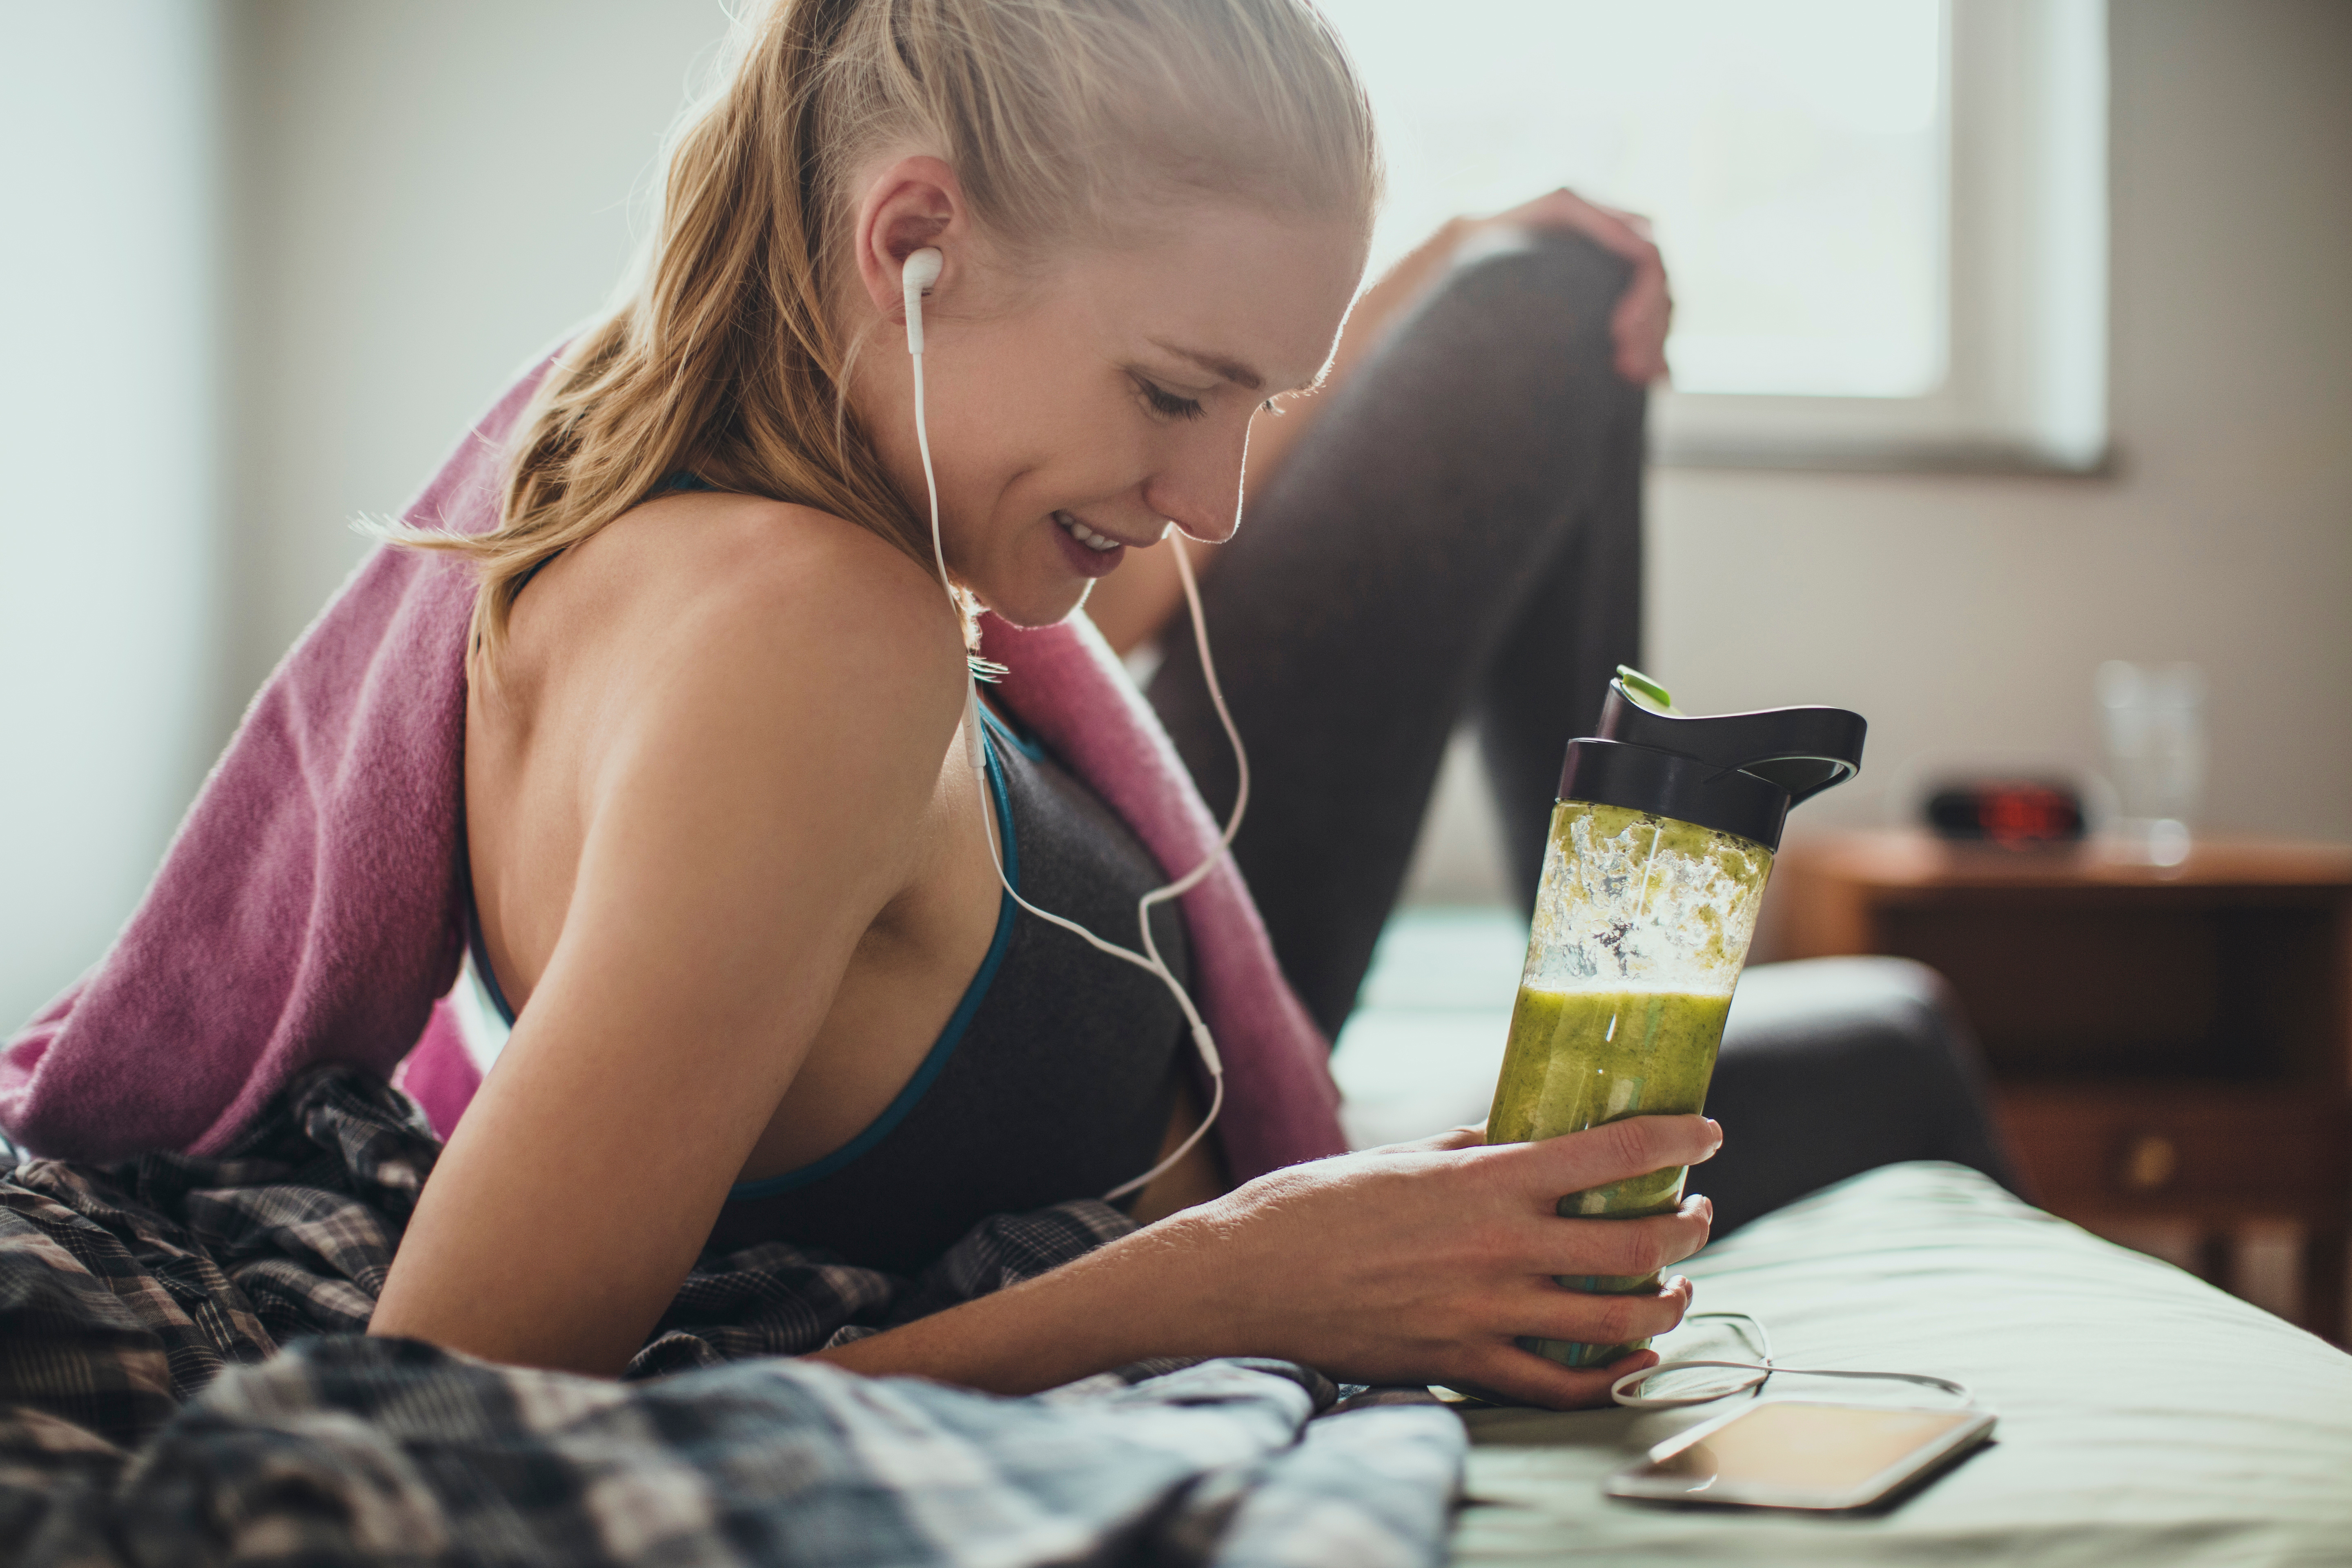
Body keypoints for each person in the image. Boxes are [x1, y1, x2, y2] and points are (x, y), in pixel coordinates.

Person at [369, 0, 2016, 1403]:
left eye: (1250, 399)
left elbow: (1132, 592)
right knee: (1905, 1044)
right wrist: (1238, 1279)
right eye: (1172, 389)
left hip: (1213, 1048)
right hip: (1233, 1172)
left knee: (1543, 294)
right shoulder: (811, 641)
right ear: (911, 244)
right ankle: (1577, 1087)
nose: (1214, 502)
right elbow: (459, 1404)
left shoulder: (644, 482)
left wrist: (1434, 271)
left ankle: (1574, 1052)